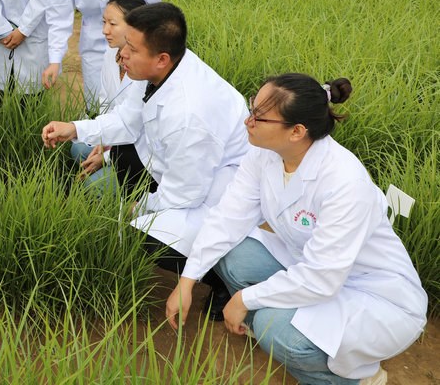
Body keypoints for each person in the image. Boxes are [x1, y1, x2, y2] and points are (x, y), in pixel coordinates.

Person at [166, 74, 427, 385]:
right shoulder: (264, 152)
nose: (248, 121)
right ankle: (284, 331)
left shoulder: (344, 182)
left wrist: (245, 299)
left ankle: (357, 377)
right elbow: (228, 218)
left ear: (297, 131)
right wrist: (187, 281)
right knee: (235, 257)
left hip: (374, 296)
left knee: (274, 327)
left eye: (259, 116)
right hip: (312, 266)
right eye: (252, 107)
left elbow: (323, 278)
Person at [42, 2, 249, 317]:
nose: (122, 54)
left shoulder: (189, 113)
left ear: (161, 58)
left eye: (132, 49)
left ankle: (220, 278)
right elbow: (127, 121)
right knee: (122, 153)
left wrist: (139, 207)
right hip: (181, 167)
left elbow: (186, 194)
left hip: (213, 190)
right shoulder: (158, 68)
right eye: (126, 44)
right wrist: (74, 128)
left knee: (140, 236)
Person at [70, 0, 147, 190]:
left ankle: (130, 190)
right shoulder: (111, 53)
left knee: (92, 187)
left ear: (135, 26)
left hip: (141, 151)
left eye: (112, 24)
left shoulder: (146, 68)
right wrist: (104, 141)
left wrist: (106, 155)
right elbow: (106, 104)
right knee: (78, 148)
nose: (105, 30)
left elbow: (137, 129)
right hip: (119, 136)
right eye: (104, 22)